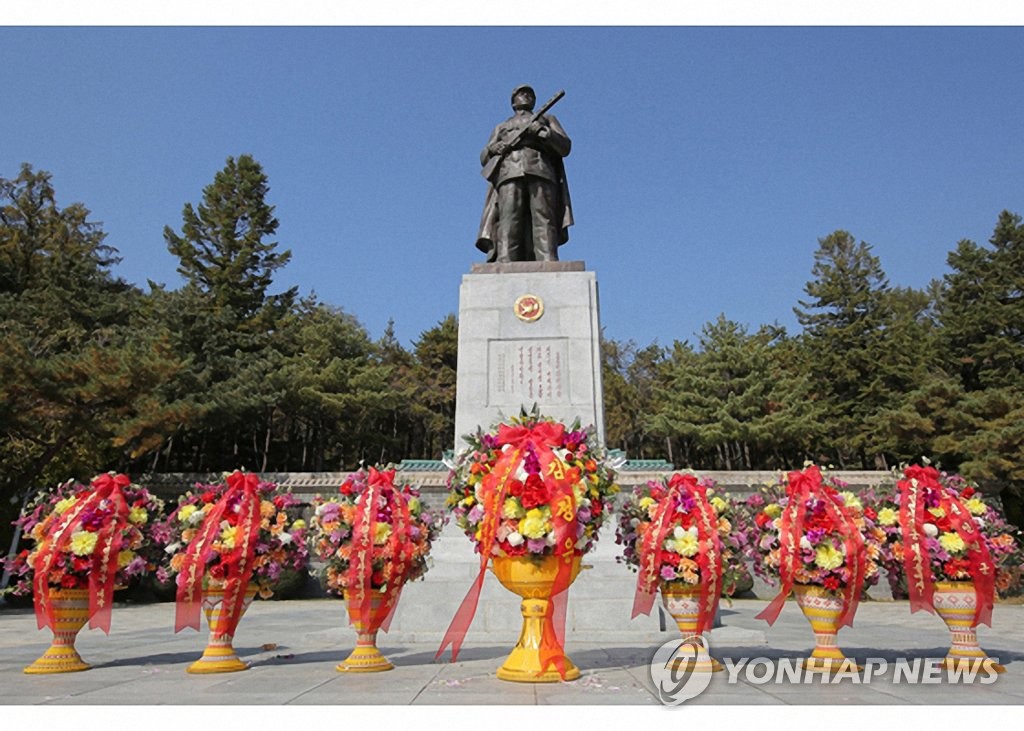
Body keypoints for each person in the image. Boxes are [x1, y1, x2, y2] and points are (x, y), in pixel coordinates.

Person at [475, 85, 574, 262]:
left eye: (529, 94)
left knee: (543, 216)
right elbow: (483, 156)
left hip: (540, 169)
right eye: (521, 94)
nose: (526, 96)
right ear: (513, 102)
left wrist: (542, 131)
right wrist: (493, 148)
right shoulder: (502, 126)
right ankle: (506, 258)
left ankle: (547, 258)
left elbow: (565, 146)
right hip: (509, 172)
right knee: (509, 216)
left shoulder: (546, 118)